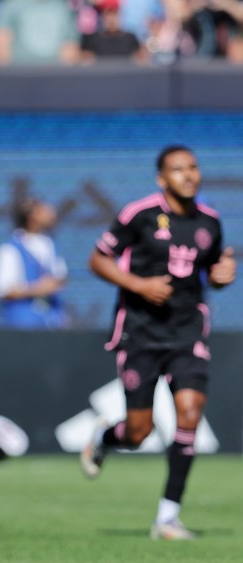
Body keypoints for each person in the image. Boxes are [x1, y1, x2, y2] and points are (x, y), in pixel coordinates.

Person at [81, 145, 235, 540]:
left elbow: (215, 272)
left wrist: (223, 275)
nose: (188, 175)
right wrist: (139, 285)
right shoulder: (140, 214)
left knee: (189, 413)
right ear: (162, 179)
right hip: (141, 334)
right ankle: (104, 437)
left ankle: (167, 517)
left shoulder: (210, 221)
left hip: (187, 332)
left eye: (193, 167)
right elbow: (98, 259)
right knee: (139, 432)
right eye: (178, 169)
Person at [0, 197, 68, 329]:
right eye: (42, 210)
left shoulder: (50, 245)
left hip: (51, 323)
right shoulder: (9, 249)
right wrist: (37, 289)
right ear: (31, 216)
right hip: (21, 326)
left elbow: (60, 277)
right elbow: (3, 289)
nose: (49, 213)